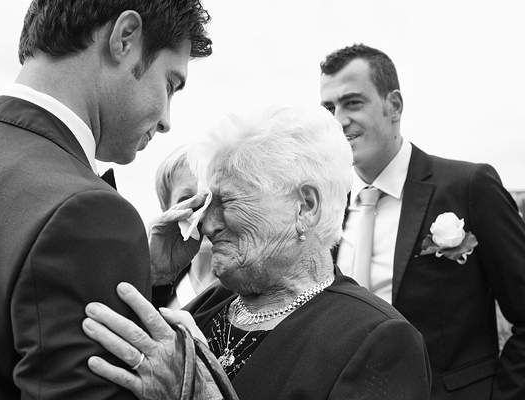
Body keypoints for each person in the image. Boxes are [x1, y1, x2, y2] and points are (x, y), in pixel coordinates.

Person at [0, 1, 211, 399]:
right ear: (125, 38)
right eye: (170, 84)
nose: (166, 119)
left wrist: (146, 276)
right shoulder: (89, 214)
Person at [81, 102, 432, 399]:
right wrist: (155, 275)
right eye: (206, 205)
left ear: (305, 207)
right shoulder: (208, 306)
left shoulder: (376, 338)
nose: (207, 224)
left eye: (229, 201)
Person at [319, 43, 525, 399]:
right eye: (328, 108)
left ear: (393, 105)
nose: (338, 119)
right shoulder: (332, 209)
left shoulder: (469, 186)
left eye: (352, 102)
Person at [154, 145, 217, 309]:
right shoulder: (153, 286)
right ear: (167, 210)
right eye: (187, 199)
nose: (203, 212)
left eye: (212, 197)